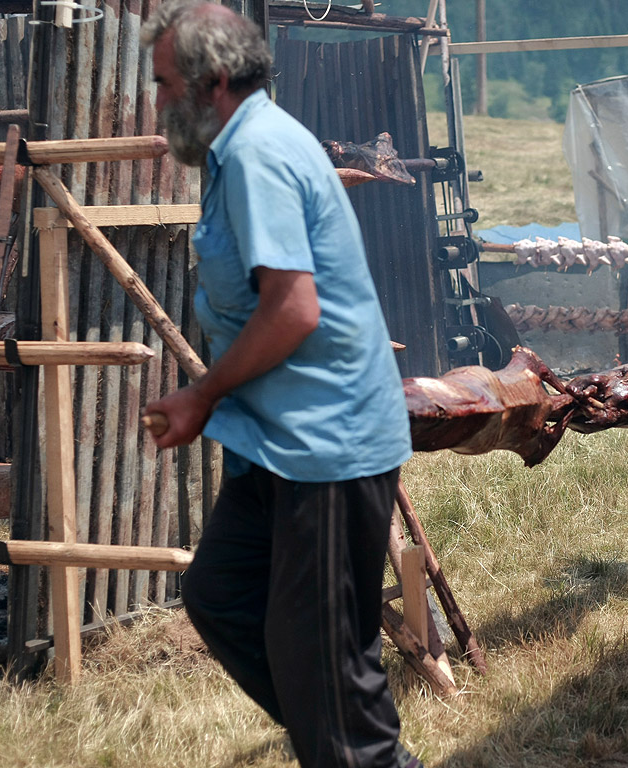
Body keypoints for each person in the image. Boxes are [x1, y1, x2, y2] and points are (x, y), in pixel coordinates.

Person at [139, 3, 420, 766]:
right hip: (275, 442)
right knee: (222, 598)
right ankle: (341, 735)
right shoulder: (238, 150)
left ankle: (353, 743)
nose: (159, 102)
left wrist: (200, 394)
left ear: (215, 81)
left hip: (326, 447)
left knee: (325, 667)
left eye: (167, 85)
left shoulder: (259, 152)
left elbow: (291, 311)